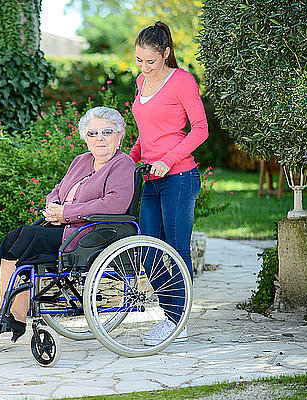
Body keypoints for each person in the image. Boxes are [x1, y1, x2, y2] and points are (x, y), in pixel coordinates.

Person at [0, 107, 136, 341]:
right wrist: (53, 207)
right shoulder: (81, 161)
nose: (99, 139)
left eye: (106, 132)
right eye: (93, 134)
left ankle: (6, 312)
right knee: (15, 237)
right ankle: (13, 315)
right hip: (63, 226)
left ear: (119, 135)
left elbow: (114, 204)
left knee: (27, 238)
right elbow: (58, 191)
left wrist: (67, 213)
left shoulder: (123, 164)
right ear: (86, 138)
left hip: (89, 233)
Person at [130, 21, 209, 345]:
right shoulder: (140, 81)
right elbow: (146, 134)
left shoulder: (182, 81)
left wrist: (168, 160)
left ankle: (177, 322)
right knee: (148, 250)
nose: (144, 67)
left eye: (151, 61)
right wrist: (128, 158)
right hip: (151, 178)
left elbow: (200, 129)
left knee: (176, 250)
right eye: (139, 60)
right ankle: (171, 315)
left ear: (165, 53)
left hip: (179, 178)